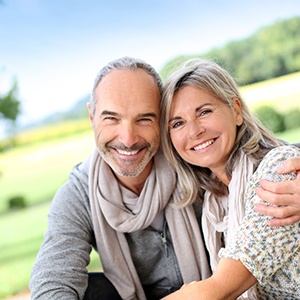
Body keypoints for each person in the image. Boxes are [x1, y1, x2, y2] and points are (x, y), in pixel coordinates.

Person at [29, 56, 300, 300]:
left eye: (144, 119)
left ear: (160, 122)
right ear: (91, 117)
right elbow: (53, 278)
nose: (127, 139)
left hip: (212, 291)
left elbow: (272, 158)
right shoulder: (80, 193)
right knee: (94, 290)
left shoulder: (193, 165)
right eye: (111, 118)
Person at [160, 58, 300, 299]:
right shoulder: (215, 204)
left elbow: (217, 292)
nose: (194, 131)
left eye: (204, 112)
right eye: (178, 123)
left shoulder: (278, 172)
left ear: (236, 110)